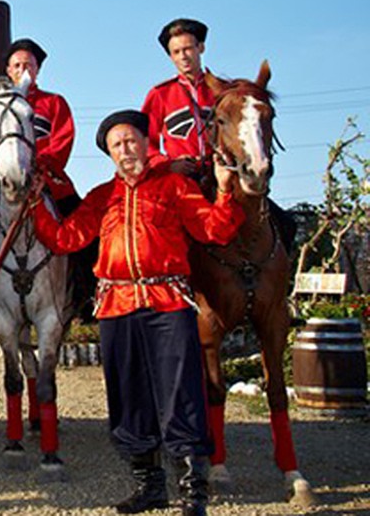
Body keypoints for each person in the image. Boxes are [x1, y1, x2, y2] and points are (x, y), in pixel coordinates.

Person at [30, 110, 244, 516]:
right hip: (116, 307)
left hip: (167, 305)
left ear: (147, 144)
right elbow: (65, 238)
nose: (125, 150)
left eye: (131, 141)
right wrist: (35, 203)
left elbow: (215, 230)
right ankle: (150, 487)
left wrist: (225, 190)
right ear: (109, 154)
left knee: (180, 393)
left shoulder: (175, 188)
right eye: (116, 145)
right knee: (129, 398)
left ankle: (193, 493)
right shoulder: (100, 197)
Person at [142, 18, 295, 247]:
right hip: (183, 178)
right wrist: (168, 165)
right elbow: (146, 144)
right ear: (171, 56)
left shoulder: (227, 93)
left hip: (224, 171)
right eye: (176, 52)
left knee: (285, 223)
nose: (183, 56)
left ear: (200, 48)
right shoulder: (160, 94)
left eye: (188, 48)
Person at [0, 38, 95, 320]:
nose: (22, 69)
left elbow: (63, 139)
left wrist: (41, 165)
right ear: (8, 69)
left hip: (48, 182)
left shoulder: (53, 103)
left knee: (83, 222)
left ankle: (88, 294)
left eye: (28, 64)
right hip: (7, 185)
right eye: (17, 65)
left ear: (37, 69)